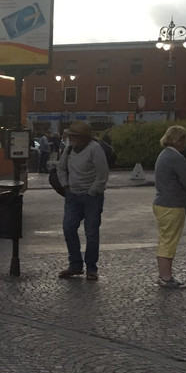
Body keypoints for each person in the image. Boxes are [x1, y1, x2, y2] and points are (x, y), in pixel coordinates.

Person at [55, 120, 109, 280]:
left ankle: (91, 268)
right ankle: (75, 265)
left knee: (91, 233)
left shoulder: (95, 149)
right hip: (73, 196)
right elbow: (61, 168)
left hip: (92, 197)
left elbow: (102, 175)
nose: (70, 138)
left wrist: (92, 192)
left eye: (73, 136)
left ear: (83, 138)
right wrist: (66, 186)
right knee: (68, 228)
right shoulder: (69, 149)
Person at [152, 125, 186, 289]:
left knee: (165, 239)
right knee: (169, 242)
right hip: (172, 204)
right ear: (179, 140)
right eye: (184, 139)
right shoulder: (176, 157)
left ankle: (163, 274)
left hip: (162, 202)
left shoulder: (164, 155)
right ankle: (166, 276)